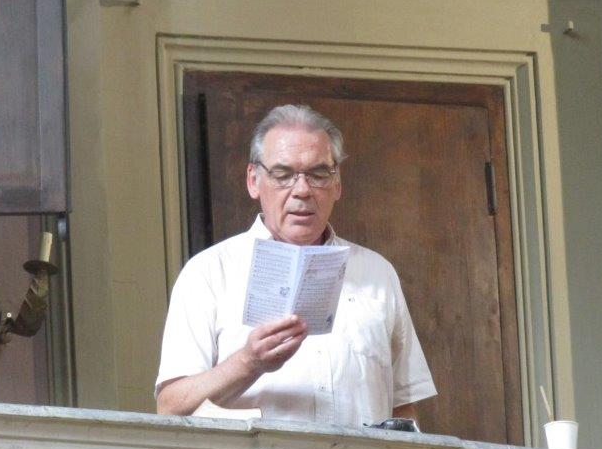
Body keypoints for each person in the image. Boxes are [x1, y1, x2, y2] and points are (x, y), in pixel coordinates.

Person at [155, 104, 436, 427]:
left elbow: (402, 408)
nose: (302, 190)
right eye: (283, 174)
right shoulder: (208, 273)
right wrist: (248, 362)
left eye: (318, 174)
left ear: (337, 184)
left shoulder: (377, 274)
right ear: (253, 181)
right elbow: (170, 407)